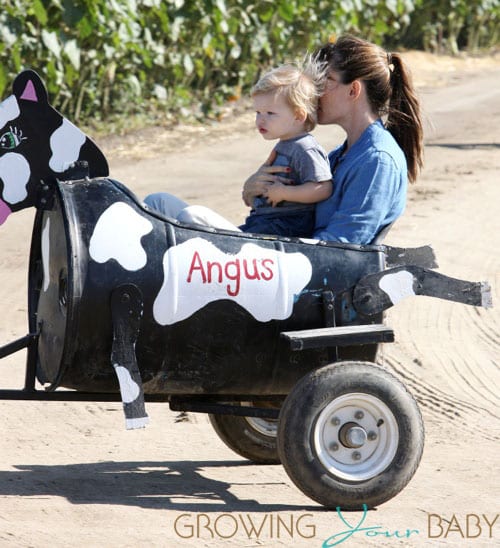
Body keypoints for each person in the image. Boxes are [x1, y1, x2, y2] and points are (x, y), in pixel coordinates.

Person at [243, 34, 424, 244]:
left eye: (324, 81)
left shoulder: (377, 160)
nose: (314, 93)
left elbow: (343, 244)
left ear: (353, 90)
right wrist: (253, 188)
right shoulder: (341, 154)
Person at [144, 60, 332, 237]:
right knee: (157, 202)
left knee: (193, 215)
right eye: (258, 112)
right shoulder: (286, 144)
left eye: (270, 113)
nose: (260, 120)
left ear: (299, 116)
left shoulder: (305, 148)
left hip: (271, 242)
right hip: (255, 228)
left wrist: (284, 193)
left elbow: (323, 188)